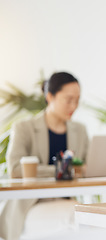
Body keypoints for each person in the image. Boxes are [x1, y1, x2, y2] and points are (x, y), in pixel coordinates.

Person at [0, 72, 89, 240]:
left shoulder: (80, 130)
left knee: (91, 216)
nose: (74, 106)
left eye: (77, 100)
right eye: (68, 100)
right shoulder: (24, 128)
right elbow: (16, 170)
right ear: (50, 97)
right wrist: (63, 170)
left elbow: (87, 167)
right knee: (78, 217)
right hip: (31, 204)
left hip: (66, 200)